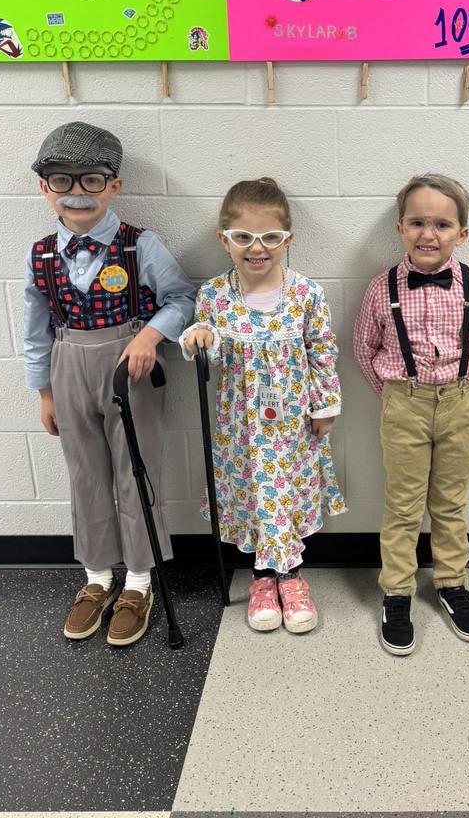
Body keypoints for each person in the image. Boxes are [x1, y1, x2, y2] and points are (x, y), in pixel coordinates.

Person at [24, 122, 195, 646]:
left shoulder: (140, 245)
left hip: (130, 367)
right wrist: (45, 391)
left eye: (92, 179)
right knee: (85, 474)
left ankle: (139, 581)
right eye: (60, 179)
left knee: (134, 470)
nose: (76, 192)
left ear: (114, 186)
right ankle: (97, 576)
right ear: (44, 187)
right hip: (68, 362)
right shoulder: (41, 254)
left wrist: (148, 336)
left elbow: (181, 299)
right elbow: (35, 327)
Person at [180, 178, 346, 634]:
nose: (258, 248)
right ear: (224, 239)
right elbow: (208, 351)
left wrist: (325, 404)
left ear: (287, 240)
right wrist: (198, 337)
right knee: (254, 496)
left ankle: (291, 578)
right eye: (244, 237)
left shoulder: (306, 294)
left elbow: (323, 349)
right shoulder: (214, 296)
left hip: (294, 424)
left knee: (286, 494)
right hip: (242, 427)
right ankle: (260, 577)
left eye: (270, 237)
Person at [354, 174, 469, 655]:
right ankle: (397, 592)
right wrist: (398, 396)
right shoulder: (383, 288)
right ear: (400, 228)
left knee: (450, 502)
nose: (428, 234)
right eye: (417, 222)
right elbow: (364, 350)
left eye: (442, 224)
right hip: (404, 402)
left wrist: (467, 386)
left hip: (461, 402)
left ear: (461, 234)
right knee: (402, 504)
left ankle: (451, 583)